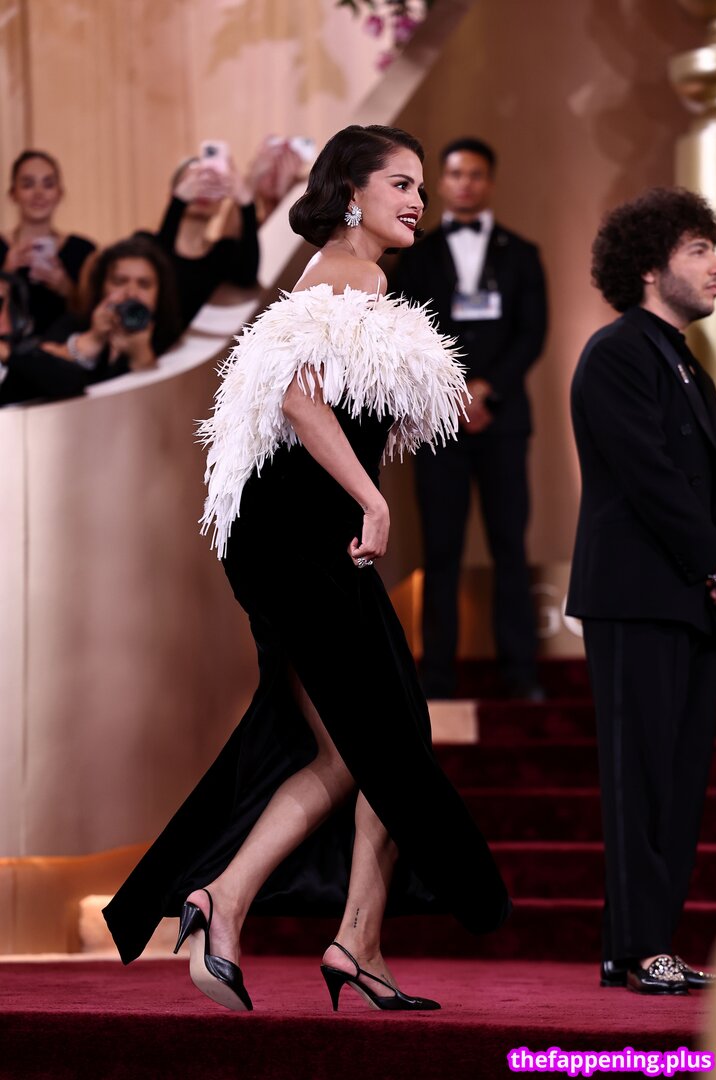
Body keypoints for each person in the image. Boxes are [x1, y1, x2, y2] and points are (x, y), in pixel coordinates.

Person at [103, 124, 510, 1013]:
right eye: (400, 184)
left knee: (361, 745)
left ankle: (321, 930)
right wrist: (374, 500)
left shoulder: (342, 273)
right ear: (352, 194)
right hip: (299, 535)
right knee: (381, 740)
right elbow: (298, 399)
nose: (417, 201)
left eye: (421, 189)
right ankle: (269, 913)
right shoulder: (352, 274)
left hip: (293, 535)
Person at [567, 187, 716, 995]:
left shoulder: (684, 362)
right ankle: (636, 949)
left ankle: (639, 943)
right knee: (642, 779)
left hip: (685, 597)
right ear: (651, 267)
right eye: (699, 249)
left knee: (679, 781)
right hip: (636, 595)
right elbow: (652, 480)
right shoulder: (619, 352)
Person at [393, 137, 547, 701]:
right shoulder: (417, 254)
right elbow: (404, 330)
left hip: (504, 423)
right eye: (456, 174)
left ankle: (521, 673)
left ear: (490, 182)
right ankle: (437, 675)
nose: (465, 184)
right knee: (441, 548)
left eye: (476, 174)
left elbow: (533, 333)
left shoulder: (522, 253)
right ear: (443, 183)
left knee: (510, 545)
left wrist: (485, 389)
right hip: (439, 421)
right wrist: (451, 389)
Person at [0, 236, 182, 406]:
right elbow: (32, 367)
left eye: (144, 284)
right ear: (102, 286)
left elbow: (169, 407)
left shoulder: (172, 337)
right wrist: (93, 339)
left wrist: (142, 356)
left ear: (159, 292)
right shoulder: (74, 324)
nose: (131, 293)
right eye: (120, 281)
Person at [144, 151, 261, 330]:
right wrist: (178, 203)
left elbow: (247, 277)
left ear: (222, 200)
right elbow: (162, 264)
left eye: (212, 185)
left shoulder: (223, 253)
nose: (202, 192)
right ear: (172, 195)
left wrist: (246, 204)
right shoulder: (146, 245)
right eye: (194, 182)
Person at [0, 150, 96, 335]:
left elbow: (95, 313)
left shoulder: (82, 250)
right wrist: (6, 273)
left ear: (60, 193)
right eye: (28, 184)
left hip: (67, 348)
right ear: (13, 193)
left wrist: (67, 289)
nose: (39, 193)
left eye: (48, 184)